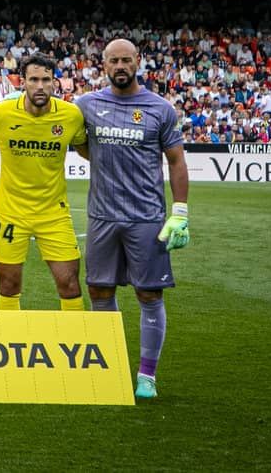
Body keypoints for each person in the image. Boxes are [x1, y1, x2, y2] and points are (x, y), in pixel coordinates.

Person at [76, 39, 190, 399]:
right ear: (103, 65)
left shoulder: (159, 108)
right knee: (99, 290)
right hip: (102, 217)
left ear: (138, 62)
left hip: (146, 217)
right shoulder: (87, 105)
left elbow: (176, 160)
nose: (121, 66)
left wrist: (180, 212)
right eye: (114, 61)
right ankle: (109, 368)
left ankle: (147, 376)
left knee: (149, 293)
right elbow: (80, 144)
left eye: (127, 60)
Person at [0, 54, 88, 311]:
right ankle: (8, 343)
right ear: (22, 82)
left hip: (54, 214)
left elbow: (85, 150)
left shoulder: (70, 116)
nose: (40, 86)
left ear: (54, 83)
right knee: (9, 286)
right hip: (10, 213)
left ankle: (75, 344)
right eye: (33, 79)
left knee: (69, 284)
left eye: (46, 80)